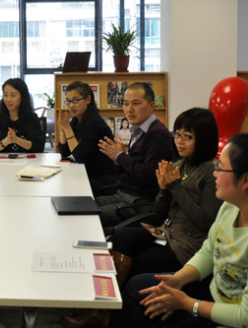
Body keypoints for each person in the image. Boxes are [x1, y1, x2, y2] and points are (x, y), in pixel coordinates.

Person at [60, 108, 222, 328]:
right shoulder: (179, 165)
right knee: (122, 237)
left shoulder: (210, 173)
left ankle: (115, 318)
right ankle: (100, 309)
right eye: (178, 135)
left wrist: (173, 186)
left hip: (188, 246)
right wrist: (164, 189)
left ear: (204, 139)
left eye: (188, 137)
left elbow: (204, 220)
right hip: (167, 233)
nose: (180, 141)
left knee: (142, 262)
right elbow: (159, 213)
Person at [109, 133, 248, 328]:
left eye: (221, 167)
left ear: (245, 180)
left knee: (158, 315)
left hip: (230, 313)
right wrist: (177, 280)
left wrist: (186, 303)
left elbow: (244, 316)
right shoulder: (230, 206)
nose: (215, 172)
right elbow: (209, 251)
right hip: (212, 288)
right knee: (138, 288)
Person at [96, 82, 173, 228]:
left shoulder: (157, 134)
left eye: (136, 103)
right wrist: (118, 159)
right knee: (84, 206)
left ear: (151, 106)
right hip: (123, 195)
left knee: (87, 216)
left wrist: (120, 156)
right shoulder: (138, 130)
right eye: (125, 104)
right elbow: (132, 168)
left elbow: (148, 175)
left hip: (139, 202)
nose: (129, 109)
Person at [57, 81, 119, 196]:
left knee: (67, 189)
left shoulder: (93, 122)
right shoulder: (77, 119)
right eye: (68, 101)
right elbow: (65, 152)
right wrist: (62, 129)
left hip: (104, 179)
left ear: (88, 99)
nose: (71, 105)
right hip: (88, 174)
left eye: (75, 100)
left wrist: (68, 130)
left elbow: (80, 157)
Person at [0, 78, 45, 153]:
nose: (8, 99)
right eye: (5, 95)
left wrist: (17, 140)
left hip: (28, 163)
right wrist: (6, 141)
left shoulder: (32, 118)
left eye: (13, 95)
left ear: (22, 97)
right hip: (3, 163)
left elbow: (38, 147)